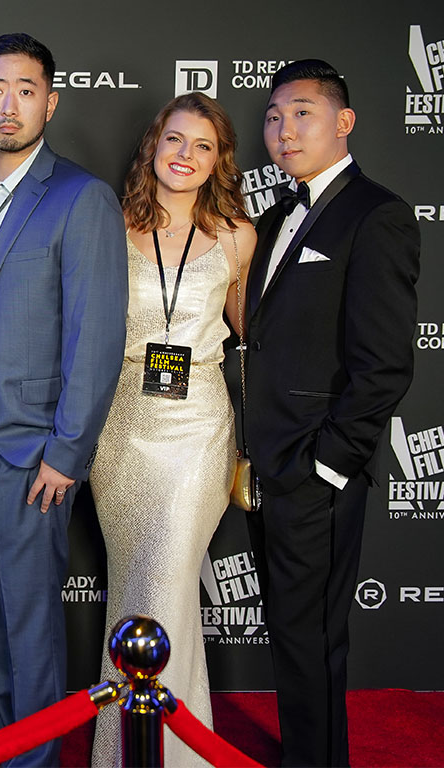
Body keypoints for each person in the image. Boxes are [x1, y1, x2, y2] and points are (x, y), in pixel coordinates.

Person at [0, 33, 127, 767]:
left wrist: (68, 451)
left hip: (34, 446)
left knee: (30, 621)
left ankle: (37, 759)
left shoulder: (81, 197)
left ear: (50, 101)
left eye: (25, 90)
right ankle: (6, 745)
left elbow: (96, 336)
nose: (8, 104)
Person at [245, 59, 419, 767]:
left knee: (313, 637)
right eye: (275, 116)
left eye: (303, 113)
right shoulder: (278, 214)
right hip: (264, 464)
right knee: (291, 632)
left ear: (343, 122)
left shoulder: (376, 214)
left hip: (314, 470)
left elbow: (384, 363)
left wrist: (328, 467)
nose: (285, 130)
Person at [88, 93, 257, 767]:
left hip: (199, 430)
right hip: (120, 427)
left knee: (163, 580)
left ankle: (166, 756)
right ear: (153, 145)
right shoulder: (109, 222)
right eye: (175, 140)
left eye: (203, 146)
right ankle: (131, 749)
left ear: (219, 161)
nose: (185, 156)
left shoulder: (238, 234)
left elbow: (252, 338)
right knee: (138, 589)